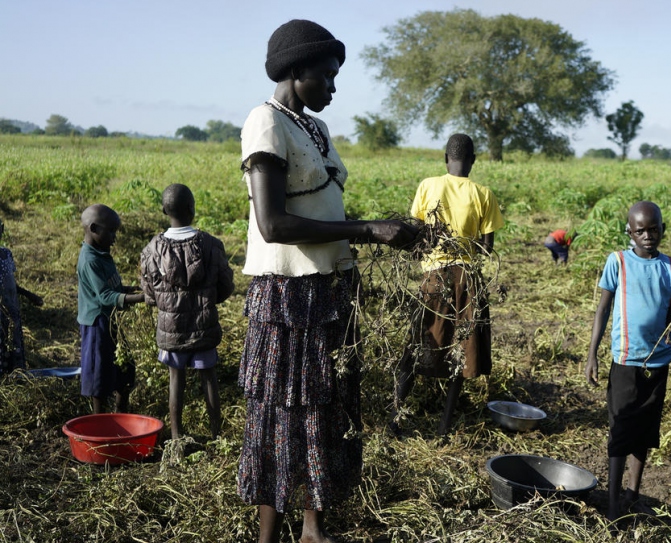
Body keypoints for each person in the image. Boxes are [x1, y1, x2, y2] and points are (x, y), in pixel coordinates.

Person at [236, 19, 419, 543]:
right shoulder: (265, 123)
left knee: (325, 408)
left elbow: (322, 207)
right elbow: (275, 225)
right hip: (288, 299)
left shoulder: (314, 128)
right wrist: (368, 231)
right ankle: (269, 534)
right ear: (295, 71)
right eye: (327, 76)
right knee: (280, 413)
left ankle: (314, 529)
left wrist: (382, 233)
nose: (333, 89)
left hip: (330, 291)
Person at [585, 201, 671, 522]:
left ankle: (633, 495)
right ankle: (612, 504)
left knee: (645, 431)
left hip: (658, 363)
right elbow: (603, 310)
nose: (647, 236)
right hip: (625, 361)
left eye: (653, 229)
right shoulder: (618, 261)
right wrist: (592, 354)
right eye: (640, 231)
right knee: (620, 431)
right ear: (629, 232)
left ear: (663, 229)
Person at [392, 133, 504, 436]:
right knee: (461, 348)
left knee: (417, 343)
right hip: (467, 280)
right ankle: (444, 425)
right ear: (473, 160)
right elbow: (487, 247)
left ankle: (396, 418)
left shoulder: (428, 186)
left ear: (445, 158)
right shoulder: (483, 193)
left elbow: (416, 233)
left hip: (435, 277)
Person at [140, 184, 234, 441]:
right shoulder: (212, 245)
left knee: (175, 380)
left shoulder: (151, 250)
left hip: (171, 331)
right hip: (205, 325)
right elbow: (225, 286)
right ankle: (217, 436)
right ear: (193, 210)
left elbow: (150, 296)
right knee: (209, 378)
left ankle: (176, 436)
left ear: (163, 210)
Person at [77, 204, 144, 414]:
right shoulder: (90, 260)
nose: (115, 237)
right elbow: (105, 297)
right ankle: (100, 422)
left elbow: (111, 288)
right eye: (112, 231)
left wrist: (130, 289)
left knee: (124, 370)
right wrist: (141, 298)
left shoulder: (102, 254)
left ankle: (120, 414)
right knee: (101, 376)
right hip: (98, 324)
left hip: (111, 320)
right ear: (94, 229)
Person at [0, 218, 44, 375]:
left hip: (12, 312)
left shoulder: (6, 254)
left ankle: (16, 375)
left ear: (2, 229)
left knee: (13, 342)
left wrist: (29, 295)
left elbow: (11, 284)